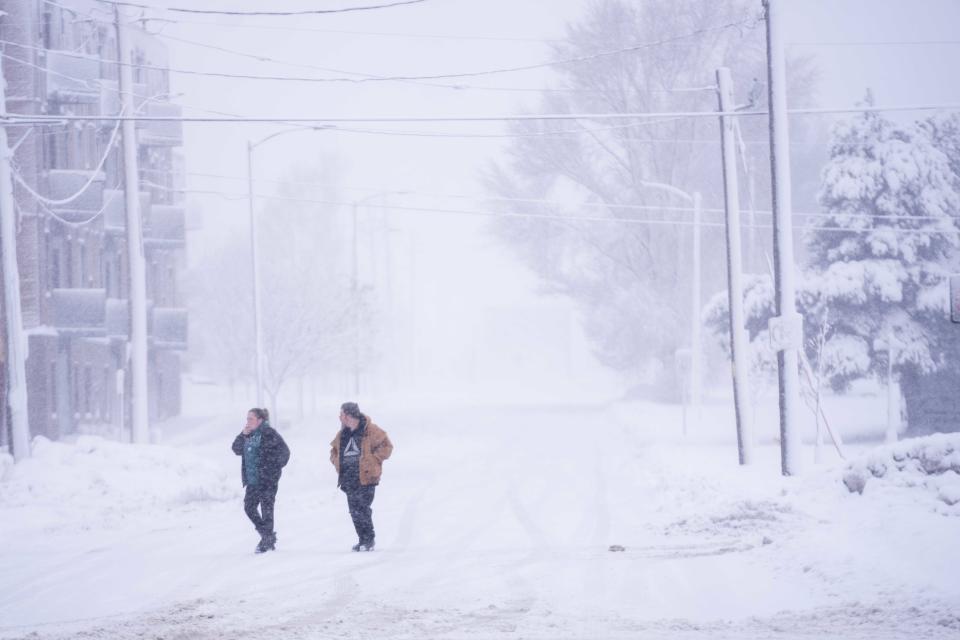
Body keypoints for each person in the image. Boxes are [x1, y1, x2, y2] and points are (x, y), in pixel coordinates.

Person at [329, 402, 393, 552]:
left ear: (349, 415)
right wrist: (336, 461)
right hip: (348, 478)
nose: (340, 417)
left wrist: (373, 459)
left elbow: (387, 446)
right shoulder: (342, 433)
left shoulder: (370, 430)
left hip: (366, 477)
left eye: (342, 414)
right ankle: (362, 539)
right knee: (354, 510)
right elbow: (333, 451)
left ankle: (369, 539)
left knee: (362, 508)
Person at [232, 408, 290, 554]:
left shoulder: (269, 433)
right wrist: (243, 434)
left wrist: (272, 470)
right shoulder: (248, 434)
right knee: (249, 507)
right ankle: (267, 536)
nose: (248, 422)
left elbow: (285, 453)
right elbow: (236, 449)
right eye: (247, 419)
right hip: (253, 481)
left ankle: (267, 542)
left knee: (267, 510)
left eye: (250, 419)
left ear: (260, 420)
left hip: (267, 480)